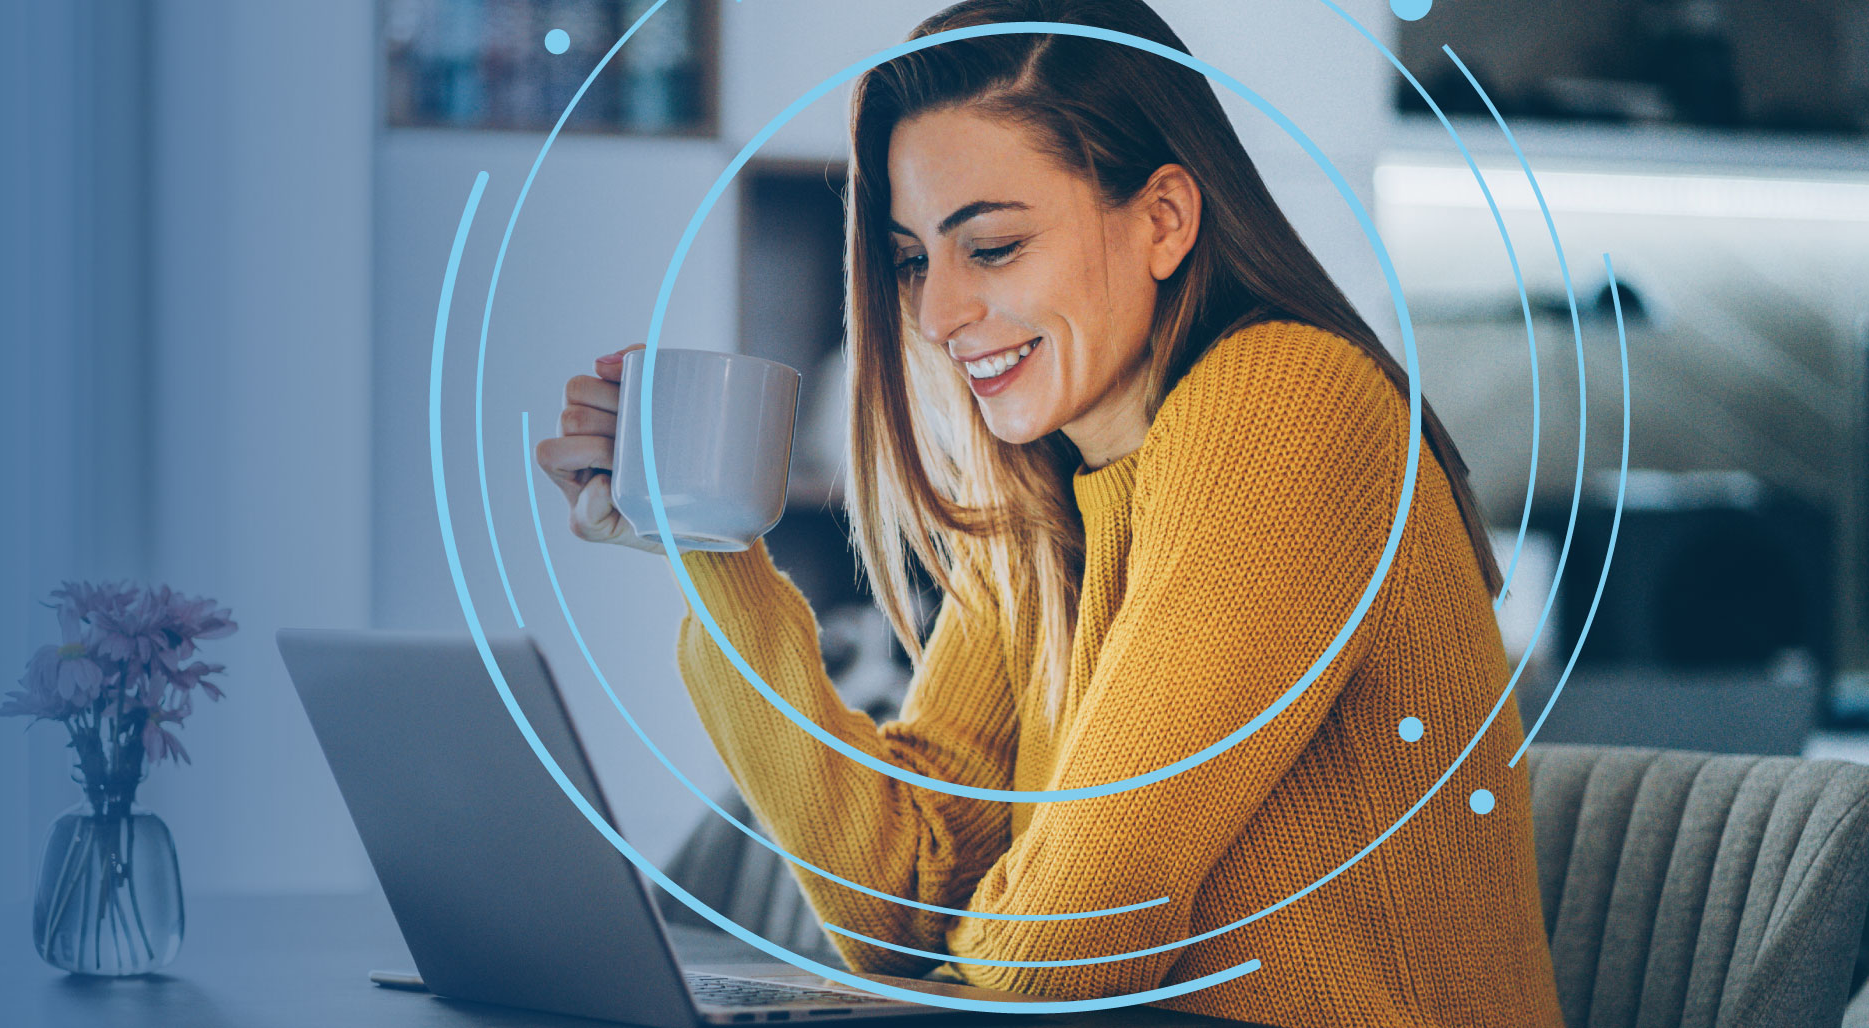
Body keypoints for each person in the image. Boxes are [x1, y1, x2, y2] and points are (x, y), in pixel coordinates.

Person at [533, 1, 1563, 1024]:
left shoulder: (1288, 400)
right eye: (911, 259)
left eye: (991, 247)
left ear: (1163, 218)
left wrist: (924, 973)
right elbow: (901, 902)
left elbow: (1076, 938)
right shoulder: (1047, 488)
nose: (936, 316)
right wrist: (708, 542)